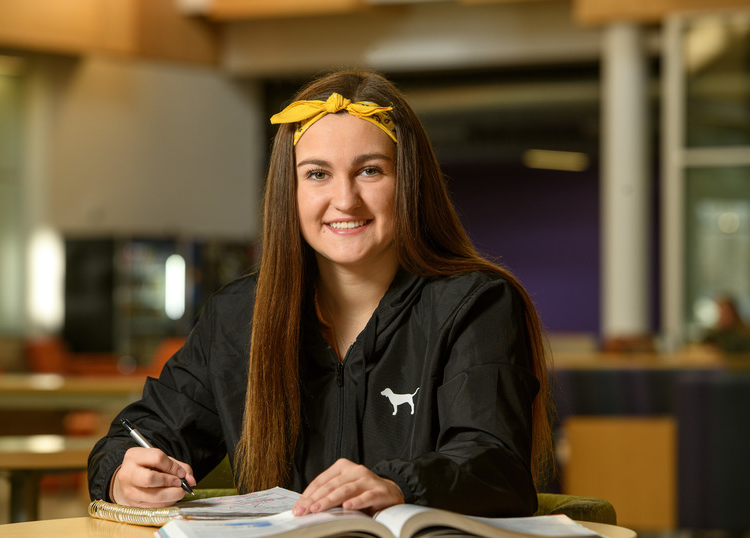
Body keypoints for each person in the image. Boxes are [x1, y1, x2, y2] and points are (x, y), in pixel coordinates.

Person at [87, 68, 554, 518]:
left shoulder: (476, 304)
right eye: (317, 174)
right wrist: (123, 474)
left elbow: (495, 463)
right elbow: (137, 436)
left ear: (409, 182)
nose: (345, 199)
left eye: (370, 171)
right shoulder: (238, 316)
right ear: (288, 191)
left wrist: (398, 485)